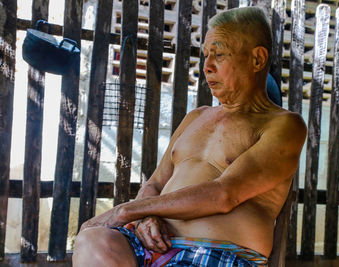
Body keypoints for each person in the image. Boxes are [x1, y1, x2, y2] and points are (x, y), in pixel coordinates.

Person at [73, 6, 306, 267]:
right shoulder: (196, 117)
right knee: (93, 240)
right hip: (147, 247)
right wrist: (144, 218)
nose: (207, 66)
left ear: (257, 59)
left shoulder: (284, 125)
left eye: (219, 54)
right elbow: (155, 184)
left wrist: (127, 211)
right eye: (205, 55)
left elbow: (224, 195)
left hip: (216, 253)